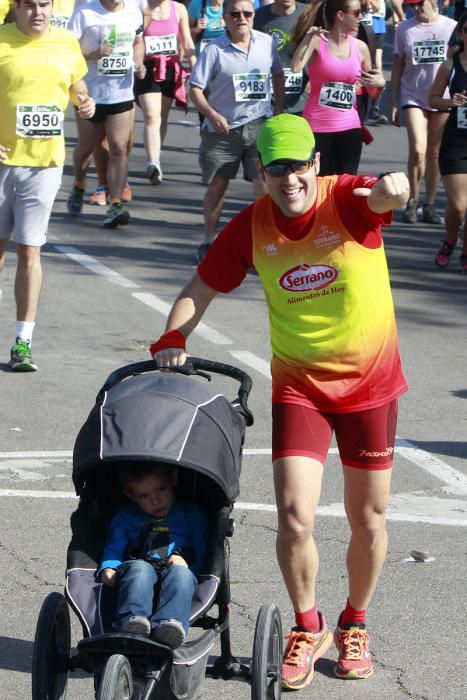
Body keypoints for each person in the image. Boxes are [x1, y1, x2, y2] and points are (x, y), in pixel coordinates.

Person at [149, 113, 410, 689]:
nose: (288, 179)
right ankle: (307, 623)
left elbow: (389, 193)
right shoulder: (251, 226)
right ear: (260, 174)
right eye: (275, 169)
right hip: (301, 390)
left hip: (370, 386)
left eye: (298, 166)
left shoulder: (348, 201)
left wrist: (397, 188)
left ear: (316, 164)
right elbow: (201, 287)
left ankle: (354, 623)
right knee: (294, 518)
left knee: (369, 519)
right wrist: (173, 338)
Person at [0, 0, 94, 372]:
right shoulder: (2, 41)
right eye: (30, 5)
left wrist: (83, 101)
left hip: (45, 164)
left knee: (30, 251)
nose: (38, 12)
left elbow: (77, 84)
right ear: (17, 8)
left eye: (44, 5)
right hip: (3, 162)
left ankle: (23, 341)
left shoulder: (66, 42)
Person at [188, 0, 285, 263]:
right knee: (218, 186)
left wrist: (278, 111)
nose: (241, 18)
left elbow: (278, 74)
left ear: (254, 16)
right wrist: (212, 115)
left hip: (259, 126)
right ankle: (209, 239)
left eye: (247, 13)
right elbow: (194, 89)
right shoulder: (214, 49)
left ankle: (265, 244)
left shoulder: (266, 42)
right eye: (235, 13)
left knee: (263, 186)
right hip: (223, 129)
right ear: (226, 17)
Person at [99, 463, 208, 647]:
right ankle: (132, 621)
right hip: (138, 572)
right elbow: (114, 546)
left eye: (161, 490)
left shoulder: (192, 515)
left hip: (176, 572)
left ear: (173, 479)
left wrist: (187, 564)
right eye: (144, 496)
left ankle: (169, 625)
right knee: (140, 568)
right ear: (131, 496)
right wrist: (108, 566)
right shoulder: (126, 517)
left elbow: (203, 551)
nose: (155, 500)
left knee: (182, 574)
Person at [68, 0, 146, 228]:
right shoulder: (85, 14)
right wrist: (93, 53)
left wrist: (138, 61)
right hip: (89, 93)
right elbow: (68, 52)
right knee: (86, 147)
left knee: (119, 148)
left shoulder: (133, 13)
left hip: (120, 93)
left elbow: (138, 41)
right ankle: (79, 184)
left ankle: (115, 203)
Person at [290, 0, 385, 176]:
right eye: (356, 13)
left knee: (345, 184)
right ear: (340, 15)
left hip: (350, 127)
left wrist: (379, 84)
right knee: (320, 183)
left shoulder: (360, 47)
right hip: (317, 126)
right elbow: (296, 67)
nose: (361, 17)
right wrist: (308, 38)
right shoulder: (318, 41)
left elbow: (370, 91)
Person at [390, 0, 456, 223]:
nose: (416, 9)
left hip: (442, 96)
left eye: (419, 3)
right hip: (413, 95)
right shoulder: (404, 28)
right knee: (418, 150)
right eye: (411, 5)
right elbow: (398, 64)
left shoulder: (451, 26)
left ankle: (428, 204)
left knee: (434, 153)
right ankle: (413, 200)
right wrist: (393, 100)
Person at [135, 0, 196, 186]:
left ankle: (156, 160)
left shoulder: (178, 9)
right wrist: (136, 62)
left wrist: (197, 68)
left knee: (162, 116)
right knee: (152, 116)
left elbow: (187, 41)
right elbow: (135, 39)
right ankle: (152, 162)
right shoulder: (141, 8)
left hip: (170, 69)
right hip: (147, 67)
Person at [429, 10, 467, 272]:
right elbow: (432, 99)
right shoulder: (450, 65)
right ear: (463, 33)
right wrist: (450, 102)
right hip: (457, 142)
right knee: (458, 204)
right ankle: (451, 238)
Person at [253, 0, 309, 115]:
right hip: (267, 104)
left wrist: (314, 80)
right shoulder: (257, 17)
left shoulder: (309, 14)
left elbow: (324, 47)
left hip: (302, 101)